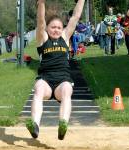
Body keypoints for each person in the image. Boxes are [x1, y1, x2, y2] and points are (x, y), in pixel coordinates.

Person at [26, 0, 85, 140]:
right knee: (38, 88)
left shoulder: (65, 37)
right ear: (47, 28)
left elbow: (75, 16)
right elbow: (40, 21)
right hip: (46, 79)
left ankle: (62, 125)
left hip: (62, 80)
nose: (57, 30)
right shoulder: (43, 39)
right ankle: (34, 125)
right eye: (53, 27)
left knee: (66, 90)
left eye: (59, 27)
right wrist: (41, 3)